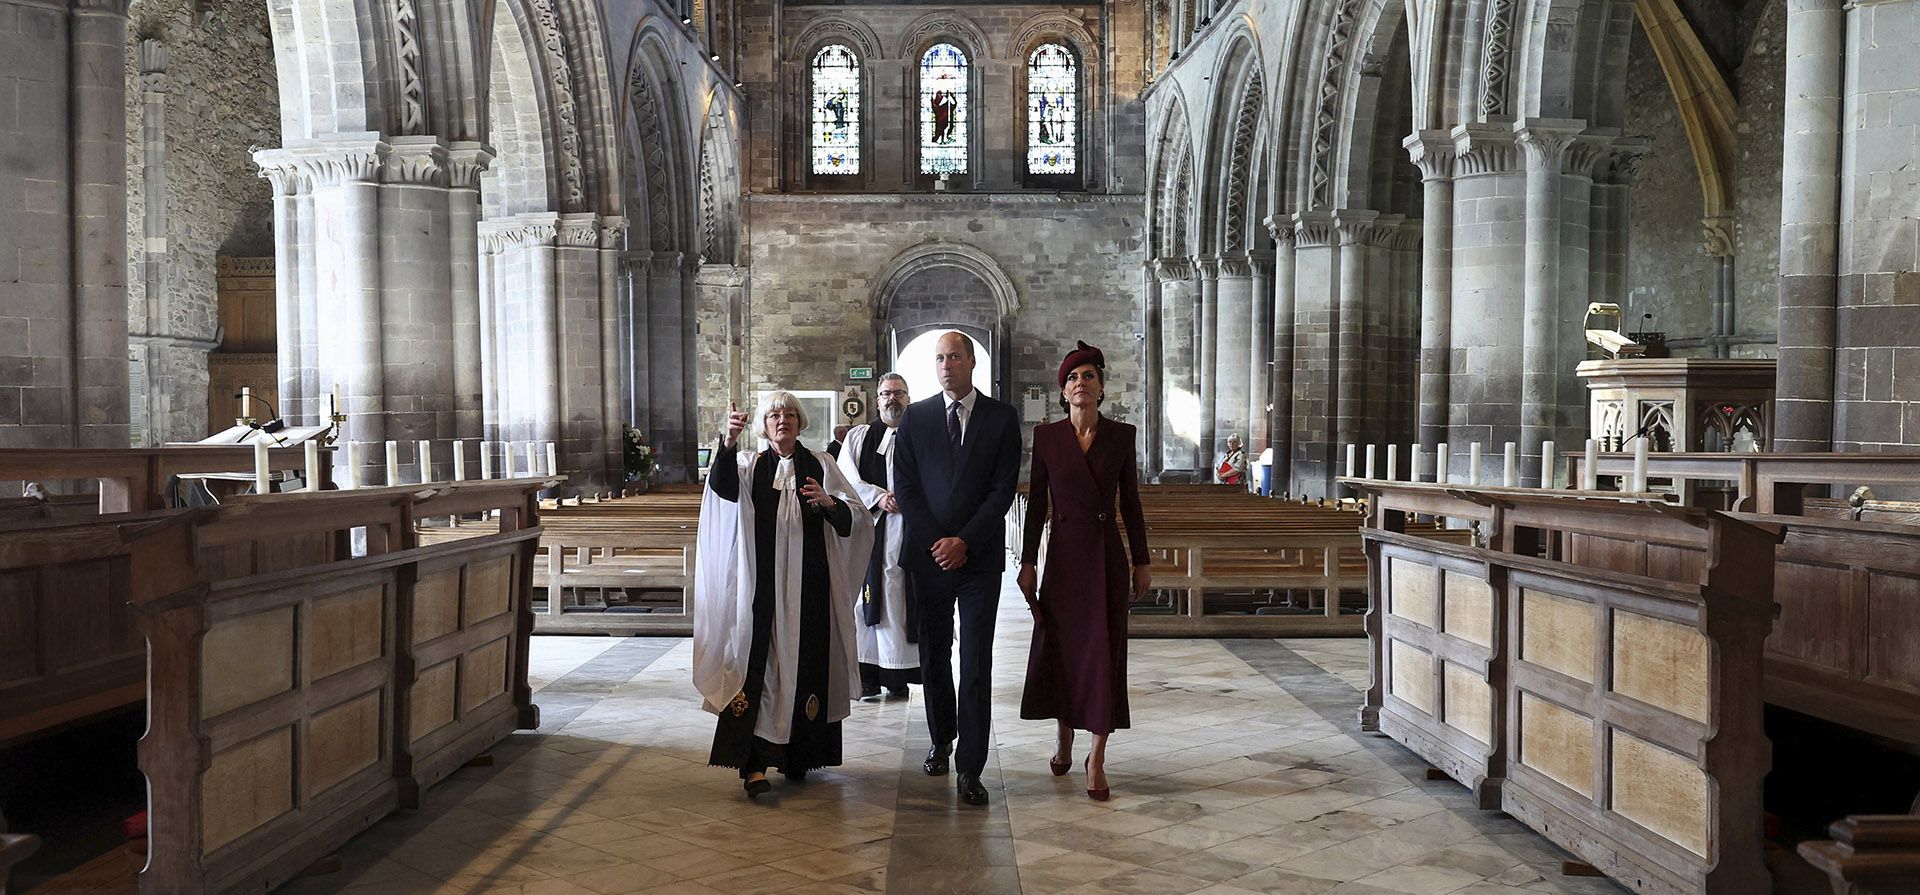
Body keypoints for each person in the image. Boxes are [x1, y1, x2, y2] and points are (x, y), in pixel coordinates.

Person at [693, 392, 873, 798]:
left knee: (805, 667)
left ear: (800, 421)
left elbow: (857, 518)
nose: (782, 420)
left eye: (790, 414)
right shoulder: (748, 466)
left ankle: (798, 756)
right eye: (774, 414)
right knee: (760, 670)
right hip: (761, 590)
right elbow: (720, 494)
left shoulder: (822, 465)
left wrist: (830, 504)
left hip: (810, 591)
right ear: (764, 424)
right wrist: (727, 443)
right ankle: (754, 765)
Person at [892, 331, 1022, 806]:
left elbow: (1003, 489)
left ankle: (971, 765)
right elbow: (905, 487)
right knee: (934, 654)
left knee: (975, 660)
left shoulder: (1000, 418)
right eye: (940, 359)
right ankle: (941, 738)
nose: (946, 365)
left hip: (979, 559)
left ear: (971, 362)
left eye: (954, 357)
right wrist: (938, 543)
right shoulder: (917, 417)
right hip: (929, 558)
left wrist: (965, 540)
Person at [1017, 341, 1151, 802]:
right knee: (1064, 652)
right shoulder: (1047, 438)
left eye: (1088, 376)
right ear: (1063, 391)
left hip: (1106, 557)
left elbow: (1130, 502)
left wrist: (1141, 560)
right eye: (1073, 378)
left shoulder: (1122, 435)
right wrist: (1028, 562)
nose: (1081, 383)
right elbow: (1037, 504)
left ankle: (1097, 757)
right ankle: (1064, 736)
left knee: (1103, 654)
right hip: (1064, 560)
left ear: (1101, 386)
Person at [835, 373, 922, 702]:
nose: (892, 399)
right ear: (877, 399)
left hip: (909, 530)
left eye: (899, 393)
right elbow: (844, 478)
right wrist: (879, 497)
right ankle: (868, 675)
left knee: (900, 598)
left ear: (908, 398)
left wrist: (908, 500)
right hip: (870, 528)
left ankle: (898, 676)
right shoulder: (859, 437)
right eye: (886, 393)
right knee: (865, 600)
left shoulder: (921, 434)